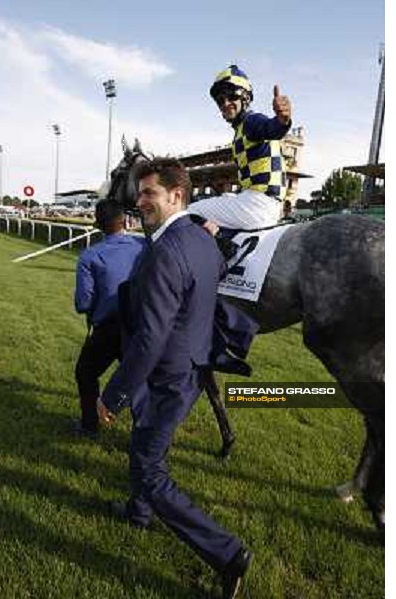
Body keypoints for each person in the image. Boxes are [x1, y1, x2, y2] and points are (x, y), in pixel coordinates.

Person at [97, 158, 252, 598]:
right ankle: (138, 513)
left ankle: (228, 553)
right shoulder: (200, 237)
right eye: (139, 192)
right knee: (144, 442)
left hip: (167, 374)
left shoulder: (167, 248)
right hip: (190, 364)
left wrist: (114, 393)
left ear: (176, 196)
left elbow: (149, 339)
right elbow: (215, 275)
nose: (139, 200)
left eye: (149, 194)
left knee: (149, 468)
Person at [188, 64, 293, 230]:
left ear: (246, 98)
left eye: (231, 96)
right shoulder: (240, 130)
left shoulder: (251, 121)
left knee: (189, 211)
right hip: (260, 202)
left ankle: (221, 243)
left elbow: (271, 129)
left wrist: (283, 120)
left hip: (258, 204)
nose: (225, 103)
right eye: (220, 100)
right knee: (226, 196)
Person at [73, 199, 146, 438]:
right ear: (125, 220)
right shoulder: (143, 245)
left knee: (86, 372)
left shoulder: (89, 256)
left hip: (107, 328)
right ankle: (144, 434)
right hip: (139, 327)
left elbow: (83, 304)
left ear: (98, 225)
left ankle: (89, 425)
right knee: (138, 380)